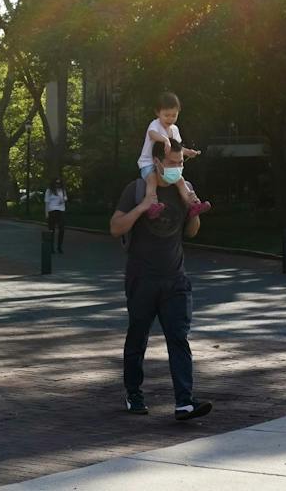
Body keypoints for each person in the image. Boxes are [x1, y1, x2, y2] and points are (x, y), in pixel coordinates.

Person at [110, 147, 212, 421]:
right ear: (156, 162)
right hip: (141, 279)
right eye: (171, 162)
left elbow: (190, 232)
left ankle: (185, 402)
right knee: (137, 337)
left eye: (180, 162)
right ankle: (134, 393)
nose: (177, 167)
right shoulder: (137, 188)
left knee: (178, 338)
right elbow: (115, 227)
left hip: (176, 279)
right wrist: (142, 207)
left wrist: (193, 211)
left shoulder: (184, 189)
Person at [139, 92, 212, 221]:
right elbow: (152, 134)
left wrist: (188, 152)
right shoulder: (155, 125)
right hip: (148, 163)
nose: (170, 119)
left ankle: (192, 205)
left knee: (181, 181)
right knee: (152, 181)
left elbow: (178, 148)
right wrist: (165, 140)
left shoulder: (174, 129)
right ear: (157, 113)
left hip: (166, 163)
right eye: (166, 115)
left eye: (174, 115)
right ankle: (152, 206)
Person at [44, 178, 68, 253]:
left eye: (59, 183)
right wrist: (46, 213)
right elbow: (47, 202)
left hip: (61, 210)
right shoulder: (49, 191)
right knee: (52, 230)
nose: (58, 185)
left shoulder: (63, 191)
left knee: (62, 229)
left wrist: (63, 200)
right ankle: (51, 247)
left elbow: (65, 198)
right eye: (56, 183)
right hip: (52, 210)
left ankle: (59, 246)